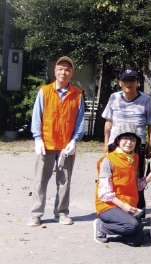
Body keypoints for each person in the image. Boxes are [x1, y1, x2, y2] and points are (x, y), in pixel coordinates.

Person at [28, 56, 85, 226]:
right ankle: (36, 214)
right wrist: (37, 139)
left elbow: (80, 121)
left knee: (64, 181)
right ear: (55, 71)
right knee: (40, 180)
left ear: (72, 73)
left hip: (66, 146)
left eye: (67, 69)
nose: (63, 72)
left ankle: (61, 213)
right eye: (60, 68)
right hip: (46, 144)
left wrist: (74, 141)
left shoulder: (78, 94)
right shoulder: (44, 91)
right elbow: (36, 117)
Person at [102, 67, 151, 216]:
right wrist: (106, 144)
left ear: (137, 82)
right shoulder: (114, 98)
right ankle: (116, 211)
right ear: (120, 82)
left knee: (137, 179)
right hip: (116, 144)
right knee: (116, 179)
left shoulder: (146, 99)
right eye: (125, 80)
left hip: (137, 145)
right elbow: (108, 122)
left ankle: (138, 211)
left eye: (132, 80)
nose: (129, 83)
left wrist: (150, 144)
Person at [94, 123, 151, 246]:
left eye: (133, 139)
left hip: (127, 204)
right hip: (109, 205)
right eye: (125, 138)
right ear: (118, 140)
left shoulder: (135, 158)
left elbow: (134, 185)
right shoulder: (108, 160)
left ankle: (126, 226)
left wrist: (147, 179)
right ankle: (101, 226)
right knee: (133, 225)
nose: (129, 142)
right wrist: (124, 207)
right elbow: (105, 193)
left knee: (136, 240)